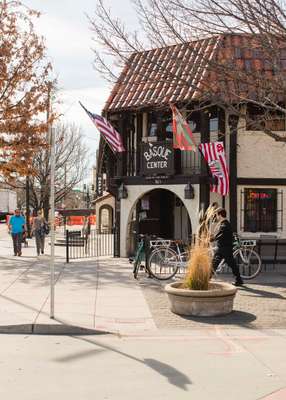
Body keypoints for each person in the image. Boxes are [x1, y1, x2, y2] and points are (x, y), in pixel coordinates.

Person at [212, 208, 244, 286]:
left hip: (224, 248)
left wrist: (212, 239)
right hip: (224, 248)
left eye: (217, 215)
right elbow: (220, 235)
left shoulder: (224, 224)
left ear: (220, 215)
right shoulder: (225, 223)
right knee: (216, 263)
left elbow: (220, 235)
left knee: (228, 264)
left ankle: (239, 280)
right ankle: (239, 280)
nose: (216, 217)